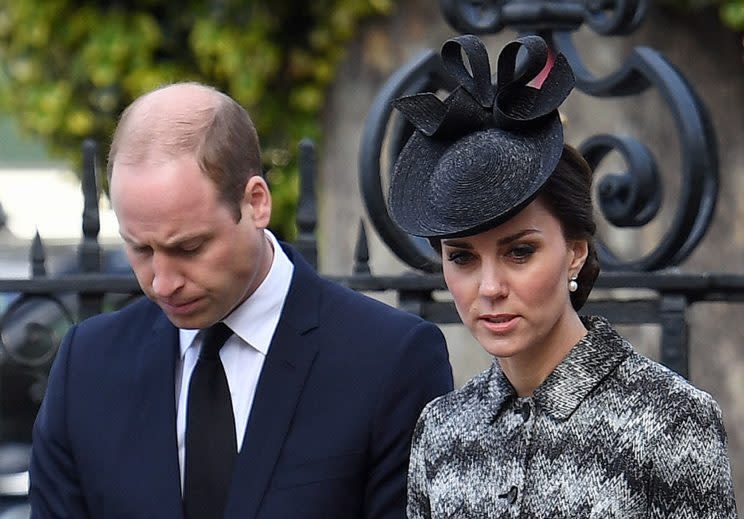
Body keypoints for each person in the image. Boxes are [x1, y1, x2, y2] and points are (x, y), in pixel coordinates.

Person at [29, 82, 453, 518]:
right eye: (140, 248)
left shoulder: (390, 360)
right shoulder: (88, 363)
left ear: (256, 202)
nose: (162, 282)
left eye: (189, 247)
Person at [388, 34, 738, 518]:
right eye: (463, 258)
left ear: (576, 251)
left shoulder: (671, 420)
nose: (489, 288)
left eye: (520, 252)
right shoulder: (442, 431)